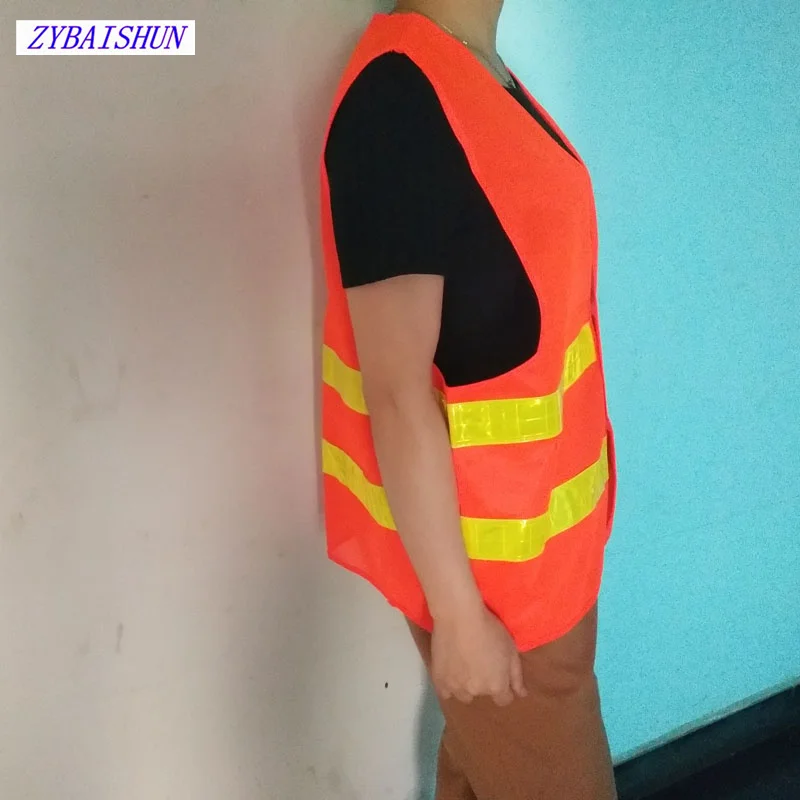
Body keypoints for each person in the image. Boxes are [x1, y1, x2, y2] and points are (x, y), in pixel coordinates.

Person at [319, 1, 619, 797]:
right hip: (498, 595)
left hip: (544, 568)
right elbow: (395, 391)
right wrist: (458, 618)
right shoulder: (398, 101)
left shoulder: (473, 72)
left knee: (483, 776)